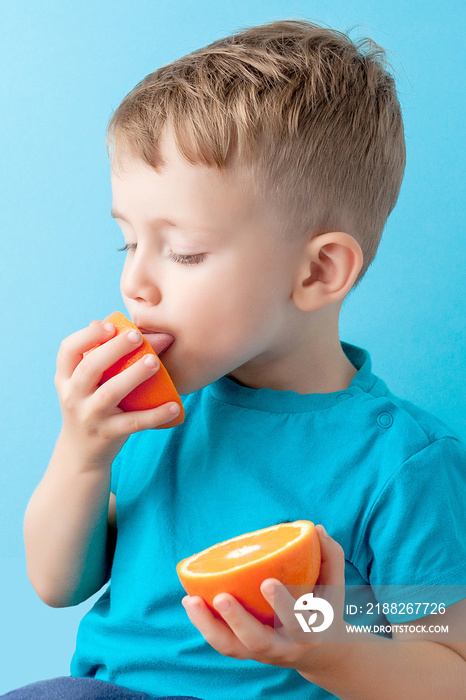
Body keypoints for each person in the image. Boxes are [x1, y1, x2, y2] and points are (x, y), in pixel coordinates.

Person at [6, 18, 465, 700]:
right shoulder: (155, 411)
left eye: (184, 251)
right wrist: (82, 448)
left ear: (318, 273)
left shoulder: (399, 462)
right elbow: (55, 584)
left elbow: (450, 671)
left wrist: (332, 647)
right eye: (127, 243)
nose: (136, 283)